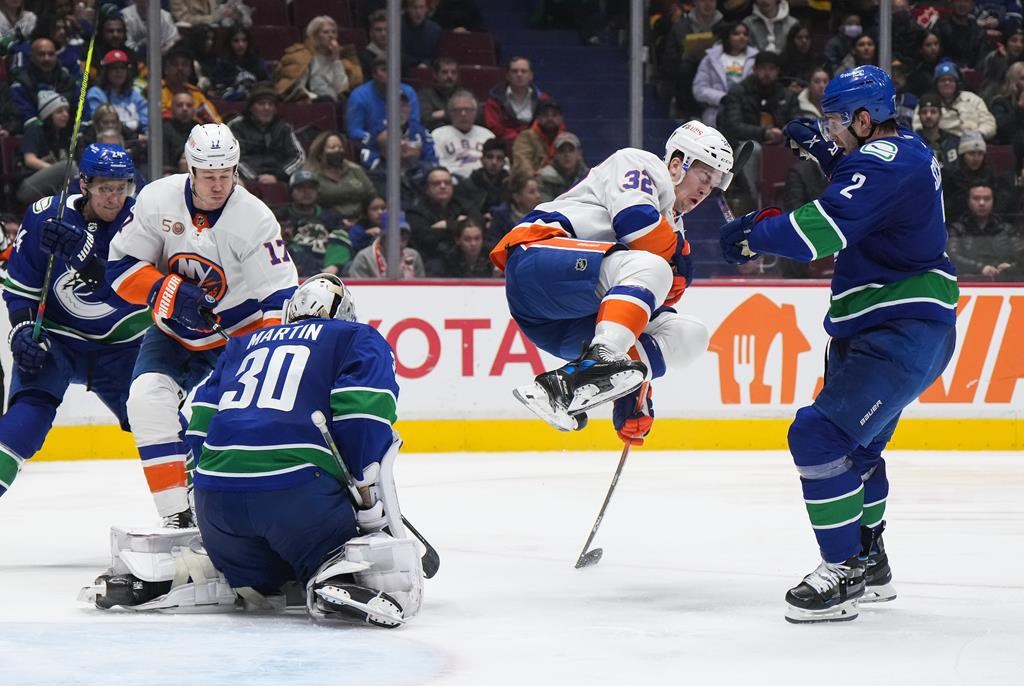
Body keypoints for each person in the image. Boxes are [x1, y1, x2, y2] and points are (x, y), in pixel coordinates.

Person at [720, 66, 958, 623]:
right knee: (860, 451)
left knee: (818, 435)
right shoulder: (906, 152)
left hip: (898, 330)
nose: (828, 129)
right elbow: (873, 199)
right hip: (898, 326)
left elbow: (821, 230)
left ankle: (844, 569)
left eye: (835, 121)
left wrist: (755, 232)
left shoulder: (884, 163)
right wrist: (832, 158)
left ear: (863, 118)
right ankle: (871, 564)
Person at [86, 275, 423, 627]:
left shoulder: (243, 344)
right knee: (334, 552)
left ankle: (220, 577)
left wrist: (204, 496)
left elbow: (200, 426)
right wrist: (367, 503)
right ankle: (334, 577)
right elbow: (362, 418)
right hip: (298, 503)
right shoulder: (356, 338)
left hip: (216, 507)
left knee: (263, 576)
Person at [106, 123, 299, 528]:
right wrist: (167, 291)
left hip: (240, 333)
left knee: (233, 421)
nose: (218, 185)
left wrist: (260, 358)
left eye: (226, 174)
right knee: (145, 401)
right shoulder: (158, 199)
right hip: (174, 332)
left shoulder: (255, 219)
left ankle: (244, 510)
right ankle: (177, 514)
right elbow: (120, 270)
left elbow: (279, 299)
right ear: (191, 170)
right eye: (209, 176)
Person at [489, 120, 731, 440]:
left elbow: (651, 305)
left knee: (690, 335)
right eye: (704, 176)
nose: (706, 190)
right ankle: (601, 360)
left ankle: (568, 386)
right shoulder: (639, 163)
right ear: (676, 164)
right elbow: (636, 225)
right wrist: (674, 253)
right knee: (653, 267)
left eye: (713, 184)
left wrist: (634, 392)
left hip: (561, 324)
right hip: (536, 260)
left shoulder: (674, 226)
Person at [0, 145, 145, 499]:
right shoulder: (45, 216)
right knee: (26, 421)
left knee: (158, 425)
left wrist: (85, 255)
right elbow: (21, 288)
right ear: (85, 185)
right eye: (104, 188)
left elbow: (133, 289)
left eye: (121, 187)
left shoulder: (145, 220)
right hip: (58, 339)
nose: (114, 198)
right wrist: (21, 330)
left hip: (125, 347)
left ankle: (201, 509)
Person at [275, 169, 351, 278]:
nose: (306, 192)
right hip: (291, 269)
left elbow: (340, 240)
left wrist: (334, 265)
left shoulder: (331, 216)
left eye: (311, 187)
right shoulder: (280, 216)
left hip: (325, 268)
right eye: (300, 188)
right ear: (291, 191)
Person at [227, 82, 305, 185]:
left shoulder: (284, 128)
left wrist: (278, 176)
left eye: (270, 104)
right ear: (251, 107)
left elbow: (298, 156)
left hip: (279, 176)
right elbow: (233, 157)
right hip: (245, 178)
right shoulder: (236, 126)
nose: (267, 108)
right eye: (261, 104)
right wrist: (255, 178)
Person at [947, 183, 1022, 280]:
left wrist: (1011, 266)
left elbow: (1020, 256)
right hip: (967, 283)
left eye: (987, 199)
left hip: (1004, 282)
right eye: (976, 198)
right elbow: (953, 257)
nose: (982, 203)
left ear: (993, 201)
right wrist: (981, 268)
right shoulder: (957, 229)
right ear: (968, 201)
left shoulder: (1007, 229)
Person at [693, 22, 758, 127]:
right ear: (727, 37)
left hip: (747, 111)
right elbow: (699, 89)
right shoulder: (710, 59)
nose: (742, 37)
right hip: (718, 111)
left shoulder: (755, 59)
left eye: (745, 34)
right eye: (736, 34)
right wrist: (722, 98)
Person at [84, 49, 149, 137]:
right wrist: (133, 136)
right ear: (106, 72)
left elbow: (146, 120)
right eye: (114, 68)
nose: (119, 72)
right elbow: (101, 122)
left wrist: (147, 134)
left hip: (135, 143)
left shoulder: (134, 94)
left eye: (122, 68)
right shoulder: (96, 93)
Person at [484, 56, 549, 143]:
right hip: (506, 145)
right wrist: (520, 138)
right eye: (515, 71)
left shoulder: (543, 99)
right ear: (508, 76)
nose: (519, 74)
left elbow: (552, 123)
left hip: (537, 144)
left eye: (524, 71)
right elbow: (494, 128)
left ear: (531, 76)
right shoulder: (495, 100)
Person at [432, 89, 494, 179]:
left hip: (483, 182)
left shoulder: (487, 135)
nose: (463, 114)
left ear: (475, 112)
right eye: (458, 110)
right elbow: (435, 165)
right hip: (451, 183)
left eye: (468, 110)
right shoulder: (438, 135)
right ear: (450, 113)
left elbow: (501, 164)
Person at [349, 211, 426, 279]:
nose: (400, 244)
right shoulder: (364, 258)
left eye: (404, 239)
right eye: (395, 239)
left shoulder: (413, 256)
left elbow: (422, 289)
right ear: (382, 238)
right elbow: (359, 292)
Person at [536, 132, 589, 202]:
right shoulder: (545, 177)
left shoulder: (588, 177)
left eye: (571, 150)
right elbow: (545, 206)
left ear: (579, 154)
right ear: (555, 155)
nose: (566, 155)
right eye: (562, 151)